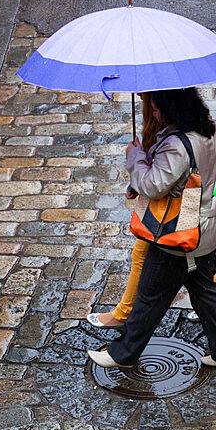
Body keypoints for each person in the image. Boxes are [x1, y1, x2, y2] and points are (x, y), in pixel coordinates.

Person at [88, 88, 216, 369]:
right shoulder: (209, 128)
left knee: (150, 295)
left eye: (158, 109)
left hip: (177, 230)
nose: (155, 115)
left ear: (173, 109)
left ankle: (122, 353)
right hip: (206, 227)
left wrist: (134, 157)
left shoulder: (177, 144)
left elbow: (153, 185)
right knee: (204, 289)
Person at [86, 98, 160, 329]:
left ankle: (125, 314)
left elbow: (159, 181)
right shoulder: (163, 117)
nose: (138, 96)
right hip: (181, 207)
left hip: (172, 209)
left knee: (142, 256)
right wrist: (135, 184)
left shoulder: (171, 127)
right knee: (198, 268)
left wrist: (135, 156)